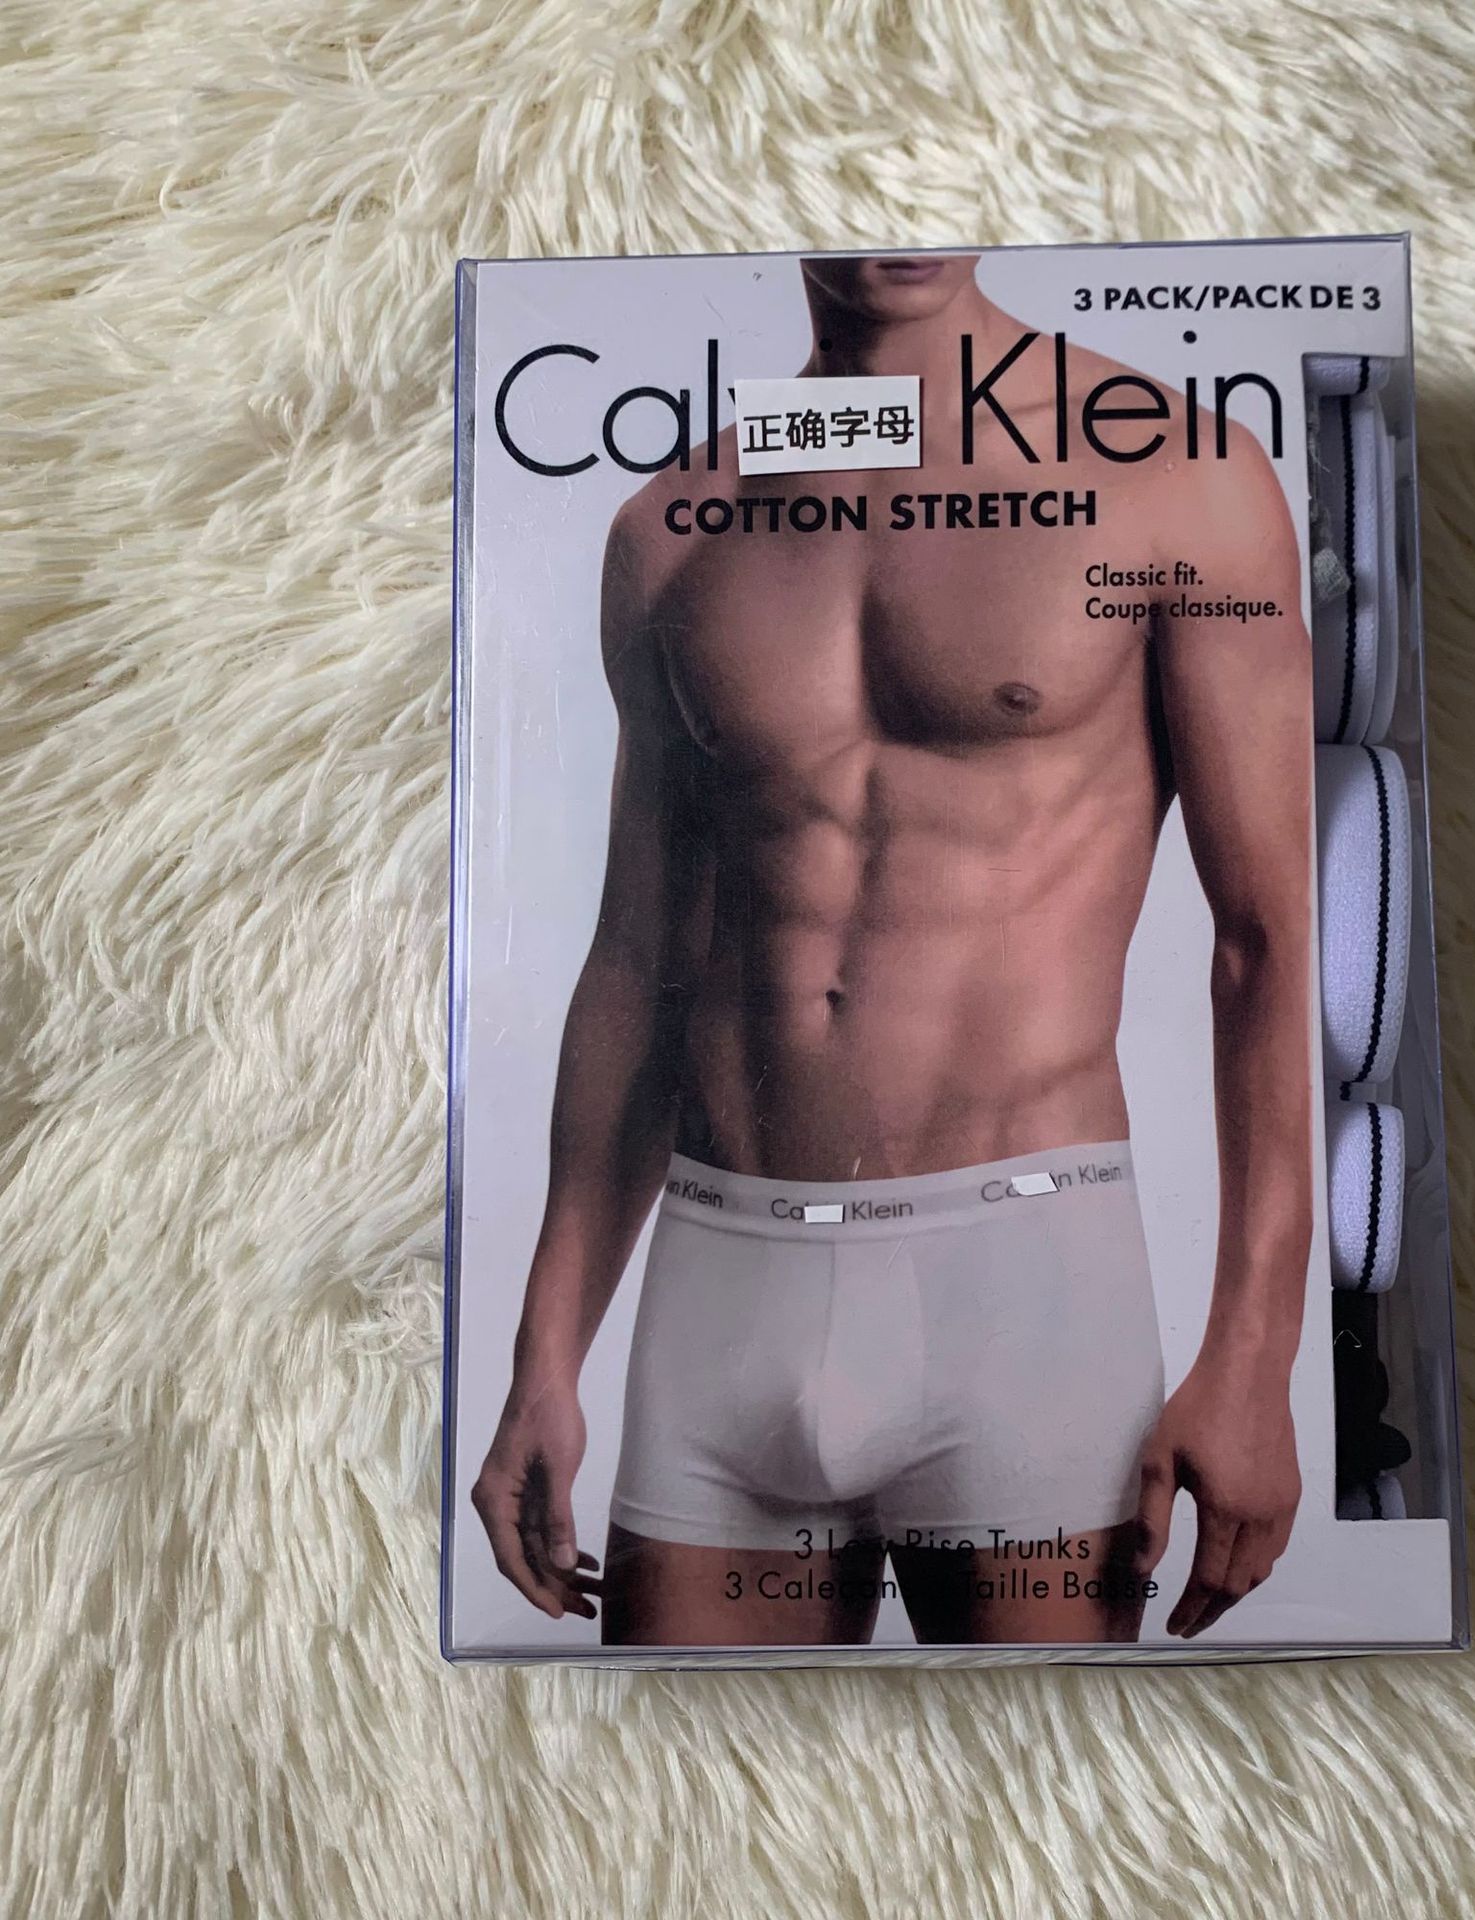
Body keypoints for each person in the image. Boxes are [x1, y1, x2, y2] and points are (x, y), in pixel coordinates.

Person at [472, 254, 1314, 1645]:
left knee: (1055, 1784)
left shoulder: (1177, 474)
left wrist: (1256, 1355)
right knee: (677, 1776)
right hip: (725, 1281)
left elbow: (1266, 939)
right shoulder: (675, 524)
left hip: (1028, 1282)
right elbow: (635, 961)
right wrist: (543, 1356)